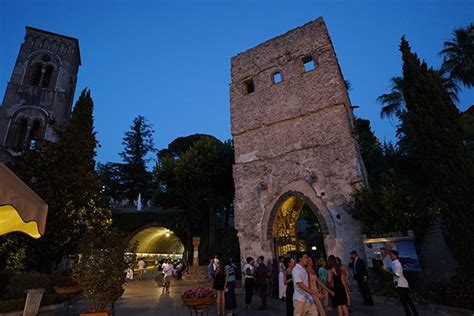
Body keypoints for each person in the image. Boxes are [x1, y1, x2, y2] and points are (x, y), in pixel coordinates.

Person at [386, 250, 419, 316]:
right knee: (408, 301)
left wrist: (387, 271)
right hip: (401, 285)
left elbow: (397, 275)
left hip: (401, 285)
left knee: (404, 302)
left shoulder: (397, 264)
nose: (390, 256)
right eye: (390, 255)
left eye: (391, 255)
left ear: (395, 256)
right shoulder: (394, 263)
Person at [292, 251, 321, 316]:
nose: (307, 259)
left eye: (307, 257)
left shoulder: (303, 269)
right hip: (300, 299)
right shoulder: (296, 270)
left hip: (307, 298)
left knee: (315, 314)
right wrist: (316, 293)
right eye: (305, 257)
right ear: (300, 259)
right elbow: (301, 285)